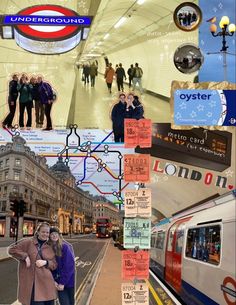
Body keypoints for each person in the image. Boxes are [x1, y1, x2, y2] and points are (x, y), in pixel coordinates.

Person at [8, 222, 57, 305]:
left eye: (47, 232)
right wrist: (25, 256)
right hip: (33, 285)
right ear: (38, 232)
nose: (45, 234)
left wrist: (46, 262)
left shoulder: (50, 246)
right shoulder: (28, 242)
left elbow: (54, 265)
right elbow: (11, 250)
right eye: (43, 232)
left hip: (47, 284)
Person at [49, 227, 75, 305]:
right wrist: (53, 281)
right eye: (52, 234)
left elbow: (69, 266)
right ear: (49, 236)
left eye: (56, 234)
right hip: (57, 282)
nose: (54, 236)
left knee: (70, 302)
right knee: (64, 302)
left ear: (59, 235)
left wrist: (62, 283)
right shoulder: (48, 248)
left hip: (68, 282)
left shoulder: (64, 247)